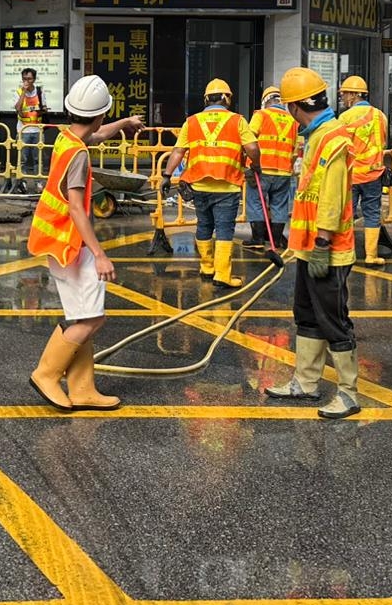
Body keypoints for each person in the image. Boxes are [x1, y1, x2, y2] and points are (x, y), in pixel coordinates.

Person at [26, 75, 144, 412]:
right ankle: (47, 374)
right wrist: (100, 254)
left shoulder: (66, 139)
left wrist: (124, 123)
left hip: (58, 241)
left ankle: (82, 388)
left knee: (84, 314)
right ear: (100, 114)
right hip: (70, 245)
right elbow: (76, 207)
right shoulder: (78, 155)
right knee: (91, 319)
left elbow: (98, 132)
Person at [266, 67, 360, 419]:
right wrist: (297, 245)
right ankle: (305, 383)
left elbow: (333, 196)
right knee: (306, 315)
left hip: (329, 251)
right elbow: (311, 193)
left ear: (293, 108)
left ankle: (349, 394)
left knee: (334, 319)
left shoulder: (332, 137)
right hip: (309, 248)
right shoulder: (316, 136)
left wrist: (321, 241)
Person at [162, 79, 260, 288]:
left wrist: (166, 175)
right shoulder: (237, 121)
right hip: (227, 185)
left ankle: (207, 268)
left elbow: (178, 151)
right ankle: (222, 275)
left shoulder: (192, 121)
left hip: (199, 185)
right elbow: (252, 148)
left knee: (204, 225)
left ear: (206, 99)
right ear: (226, 98)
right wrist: (256, 165)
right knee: (224, 229)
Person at [337, 75, 390, 267]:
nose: (342, 98)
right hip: (373, 175)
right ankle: (371, 255)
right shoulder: (380, 115)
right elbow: (383, 142)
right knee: (372, 213)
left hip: (351, 176)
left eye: (344, 94)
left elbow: (339, 146)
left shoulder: (344, 117)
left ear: (353, 95)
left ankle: (345, 253)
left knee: (346, 214)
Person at [246, 86, 297, 250]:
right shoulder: (293, 121)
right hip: (284, 171)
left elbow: (249, 139)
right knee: (280, 205)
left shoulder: (261, 115)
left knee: (256, 202)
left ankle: (258, 239)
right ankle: (276, 239)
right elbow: (296, 149)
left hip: (262, 169)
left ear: (265, 101)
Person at [14, 68, 46, 191]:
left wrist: (41, 110)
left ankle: (39, 183)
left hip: (37, 130)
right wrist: (23, 92)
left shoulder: (39, 91)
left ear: (34, 79)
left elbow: (43, 108)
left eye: (29, 79)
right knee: (23, 159)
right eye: (25, 79)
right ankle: (23, 183)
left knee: (38, 159)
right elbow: (17, 108)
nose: (27, 81)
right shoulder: (18, 91)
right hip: (23, 131)